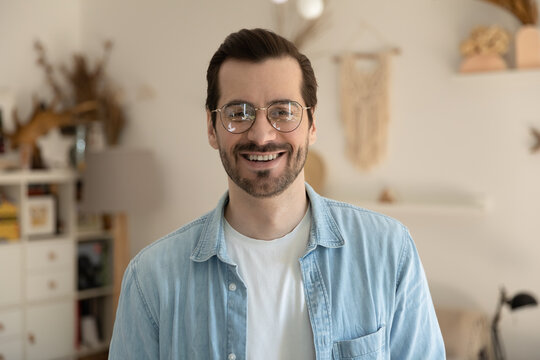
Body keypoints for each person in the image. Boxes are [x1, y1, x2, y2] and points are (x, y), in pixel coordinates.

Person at [109, 28, 445, 359]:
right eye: (238, 113)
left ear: (312, 124)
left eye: (283, 111)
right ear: (211, 128)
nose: (262, 134)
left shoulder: (389, 251)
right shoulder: (151, 278)